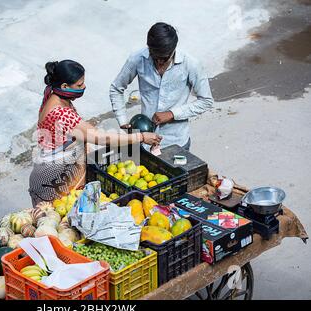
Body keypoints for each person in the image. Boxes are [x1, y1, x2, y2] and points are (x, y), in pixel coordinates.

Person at [29, 60, 162, 206]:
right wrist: (141, 137)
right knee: (59, 217)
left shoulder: (52, 93)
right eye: (79, 85)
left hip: (53, 171)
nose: (84, 87)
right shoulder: (62, 114)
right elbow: (101, 138)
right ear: (64, 86)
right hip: (55, 179)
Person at [110, 22, 214, 151]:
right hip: (144, 142)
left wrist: (172, 114)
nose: (159, 62)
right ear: (149, 48)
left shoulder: (191, 64)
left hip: (176, 142)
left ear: (173, 49)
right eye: (155, 58)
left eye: (164, 59)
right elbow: (116, 88)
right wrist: (122, 120)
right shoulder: (137, 59)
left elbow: (206, 101)